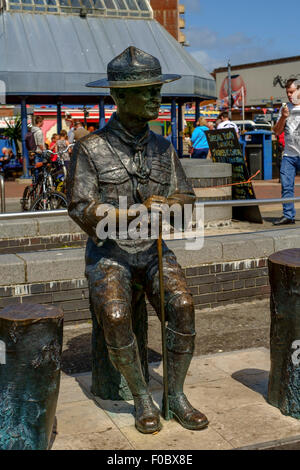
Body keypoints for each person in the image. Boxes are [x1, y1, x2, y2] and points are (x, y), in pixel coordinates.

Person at [67, 47, 209, 435]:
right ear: (118, 97)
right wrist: (133, 213)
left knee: (182, 305)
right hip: (110, 254)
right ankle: (142, 396)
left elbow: (186, 201)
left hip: (152, 251)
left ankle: (175, 395)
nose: (155, 98)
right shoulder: (90, 148)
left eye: (156, 90)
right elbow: (81, 209)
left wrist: (170, 206)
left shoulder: (164, 147)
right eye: (145, 91)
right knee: (114, 316)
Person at [273, 78, 300, 225]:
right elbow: (277, 131)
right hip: (289, 155)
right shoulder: (285, 108)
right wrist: (283, 117)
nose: (289, 95)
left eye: (292, 91)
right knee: (286, 185)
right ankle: (288, 215)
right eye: (287, 92)